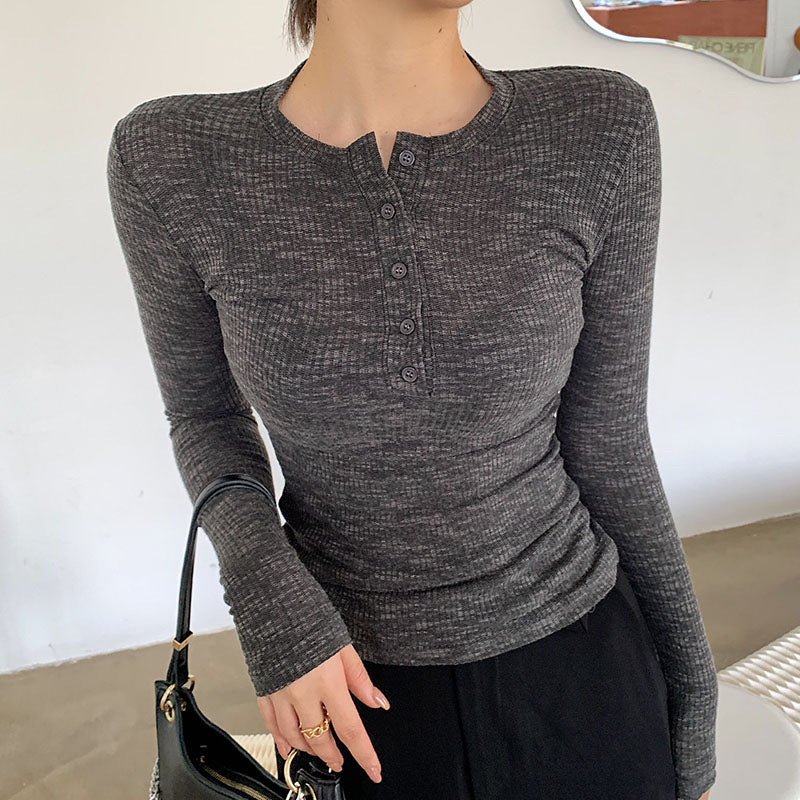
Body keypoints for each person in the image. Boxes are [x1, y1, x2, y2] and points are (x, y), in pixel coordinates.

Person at [106, 2, 718, 798]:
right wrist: (268, 597)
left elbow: (610, 438)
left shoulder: (598, 126)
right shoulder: (172, 158)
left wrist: (693, 704)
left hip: (586, 672)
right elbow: (205, 417)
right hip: (351, 696)